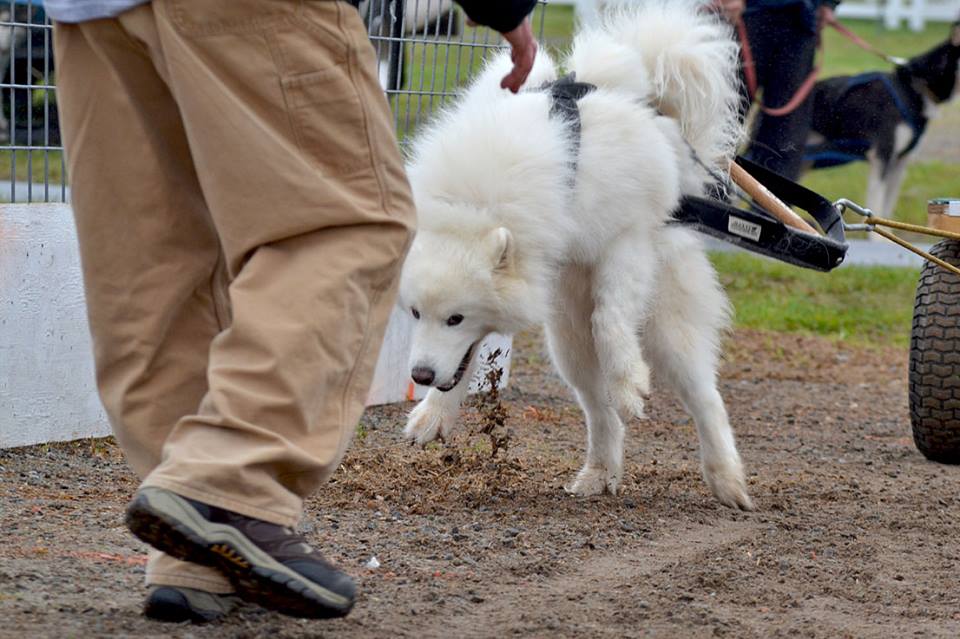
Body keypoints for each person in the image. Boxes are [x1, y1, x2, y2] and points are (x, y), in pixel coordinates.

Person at [47, 0, 537, 624]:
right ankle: (227, 483)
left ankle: (199, 559)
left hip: (88, 13)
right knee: (348, 224)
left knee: (160, 266)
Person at [717, 0, 841, 180]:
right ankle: (708, 203)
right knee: (722, 123)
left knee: (785, 138)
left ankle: (766, 207)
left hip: (800, 21)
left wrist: (828, 3)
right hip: (747, 15)